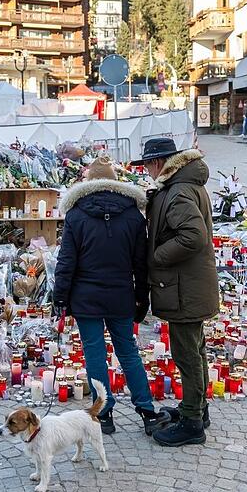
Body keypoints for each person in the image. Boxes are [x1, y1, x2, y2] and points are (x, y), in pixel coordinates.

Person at [53, 156, 169, 436]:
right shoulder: (132, 215)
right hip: (120, 295)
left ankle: (103, 414)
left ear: (89, 183)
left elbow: (66, 261)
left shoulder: (77, 214)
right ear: (115, 184)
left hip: (86, 297)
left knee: (94, 353)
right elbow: (140, 263)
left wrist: (60, 298)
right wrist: (142, 297)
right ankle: (147, 411)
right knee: (128, 351)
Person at [131, 138, 219, 447]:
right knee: (194, 350)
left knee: (187, 355)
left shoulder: (179, 190)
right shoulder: (183, 185)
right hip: (189, 285)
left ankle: (193, 423)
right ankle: (196, 409)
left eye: (147, 165)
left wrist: (157, 256)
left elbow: (193, 236)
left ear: (159, 164)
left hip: (185, 288)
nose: (146, 171)